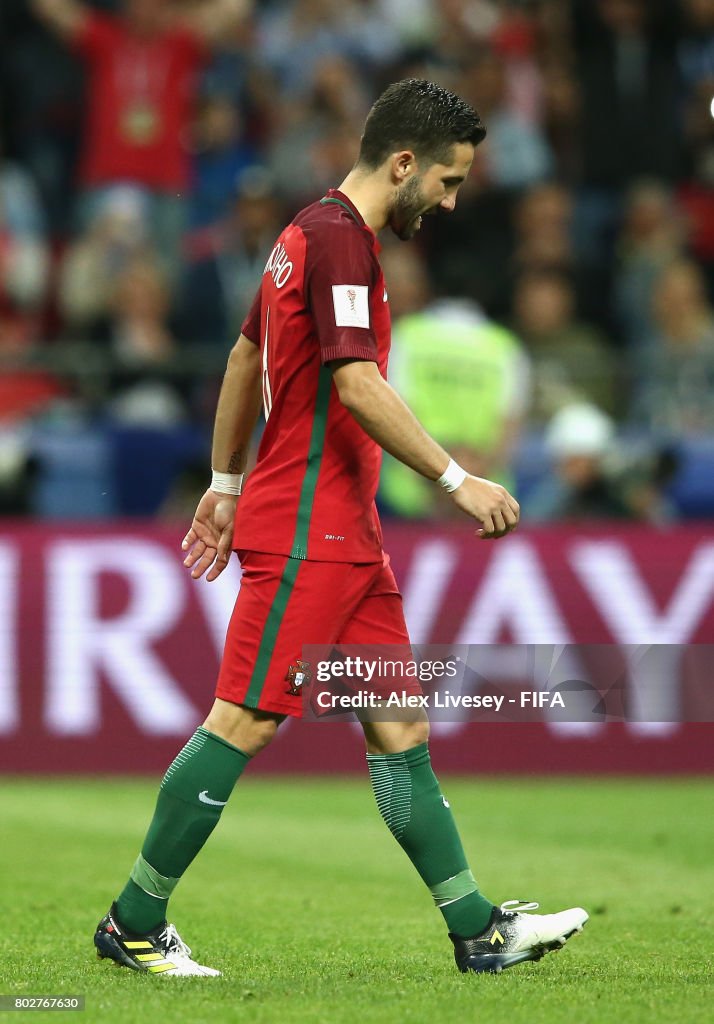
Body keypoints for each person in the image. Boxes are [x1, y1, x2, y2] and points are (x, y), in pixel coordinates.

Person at [93, 78, 588, 978]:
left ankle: (477, 929)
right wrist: (455, 477)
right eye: (446, 181)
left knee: (399, 728)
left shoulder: (303, 234)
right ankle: (132, 922)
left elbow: (248, 354)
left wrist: (223, 480)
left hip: (347, 535)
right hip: (308, 529)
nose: (447, 200)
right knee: (242, 719)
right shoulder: (338, 243)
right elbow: (355, 384)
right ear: (404, 163)